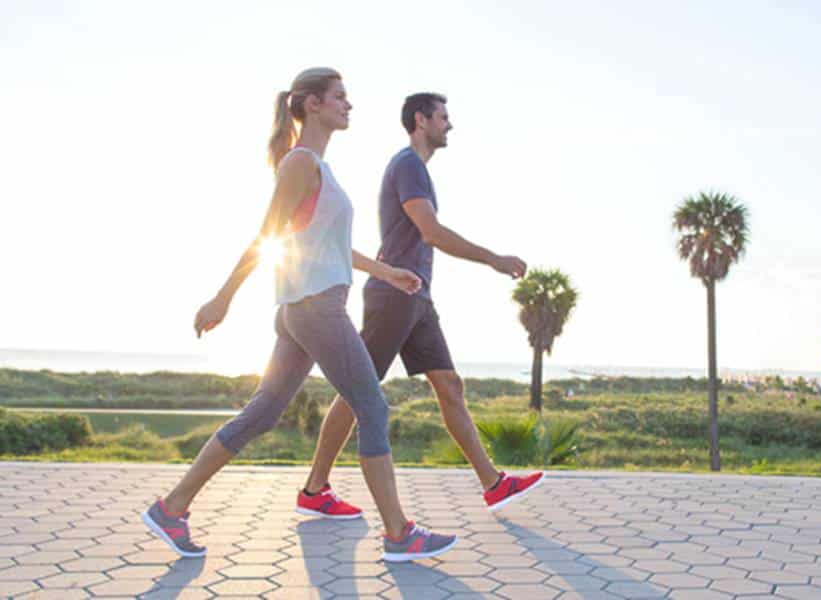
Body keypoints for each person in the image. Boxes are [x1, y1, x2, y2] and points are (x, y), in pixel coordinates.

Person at [141, 68, 456, 562]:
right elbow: (268, 235)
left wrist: (387, 272)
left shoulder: (318, 168)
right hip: (315, 307)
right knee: (372, 407)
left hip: (302, 308)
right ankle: (399, 534)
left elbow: (327, 244)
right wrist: (223, 297)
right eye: (340, 97)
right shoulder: (301, 163)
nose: (349, 105)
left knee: (262, 413)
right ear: (312, 104)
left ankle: (171, 507)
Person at [296, 93, 544, 517]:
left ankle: (493, 484)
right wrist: (493, 259)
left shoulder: (417, 169)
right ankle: (314, 489)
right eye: (443, 117)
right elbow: (431, 232)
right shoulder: (408, 165)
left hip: (417, 296)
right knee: (358, 389)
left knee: (449, 385)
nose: (450, 125)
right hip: (395, 294)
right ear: (421, 120)